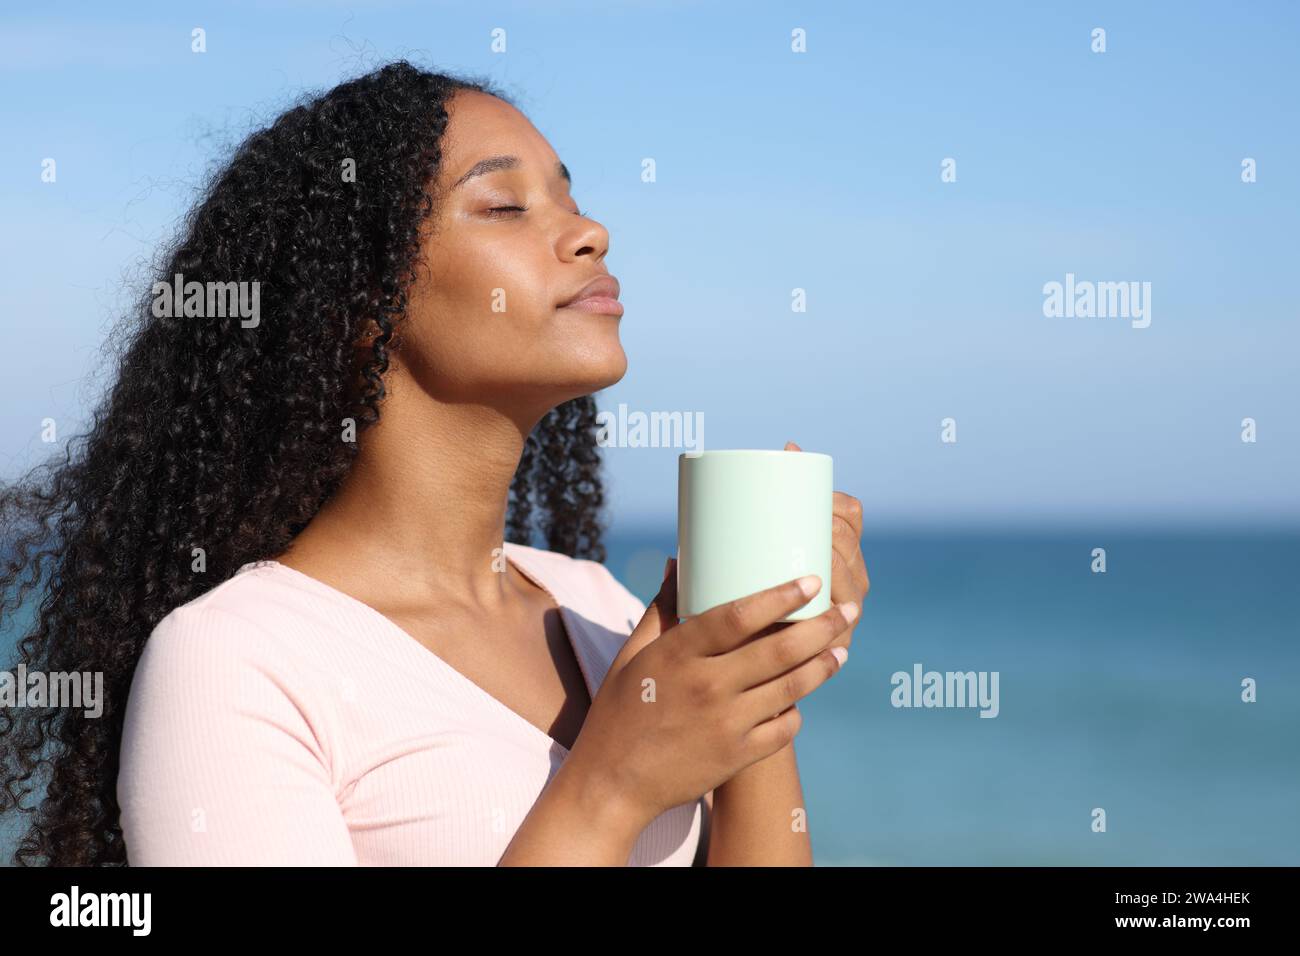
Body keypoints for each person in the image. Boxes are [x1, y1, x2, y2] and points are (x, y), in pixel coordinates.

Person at [0, 61, 869, 866]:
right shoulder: (234, 660)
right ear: (358, 307)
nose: (590, 232)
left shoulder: (597, 607)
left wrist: (759, 662)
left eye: (570, 196)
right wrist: (612, 784)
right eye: (504, 206)